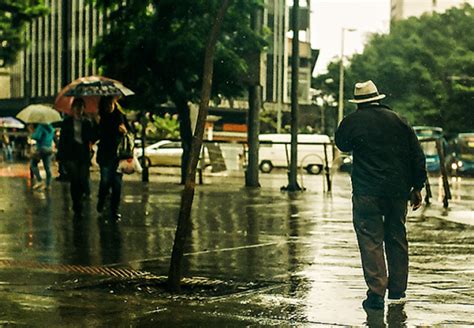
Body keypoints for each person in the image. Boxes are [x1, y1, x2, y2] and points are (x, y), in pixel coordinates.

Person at [335, 80, 427, 310]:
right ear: (378, 98)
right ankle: (397, 290)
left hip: (367, 191)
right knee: (396, 237)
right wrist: (417, 186)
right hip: (397, 192)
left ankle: (376, 293)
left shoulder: (353, 121)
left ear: (358, 103)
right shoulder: (399, 120)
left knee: (370, 240)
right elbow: (417, 155)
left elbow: (342, 144)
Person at [57, 98, 98, 217]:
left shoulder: (87, 122)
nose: (79, 110)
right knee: (74, 179)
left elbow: (93, 137)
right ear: (73, 108)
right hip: (71, 154)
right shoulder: (67, 122)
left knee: (82, 179)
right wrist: (60, 156)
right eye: (77, 107)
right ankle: (76, 204)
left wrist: (95, 120)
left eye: (81, 107)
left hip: (83, 154)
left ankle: (79, 200)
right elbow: (63, 139)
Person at [96, 96, 130, 220]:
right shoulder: (101, 118)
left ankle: (114, 210)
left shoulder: (120, 116)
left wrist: (124, 130)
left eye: (111, 103)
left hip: (118, 156)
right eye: (107, 104)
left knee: (117, 184)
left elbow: (130, 132)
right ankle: (102, 200)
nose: (109, 106)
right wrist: (97, 124)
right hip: (105, 155)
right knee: (105, 181)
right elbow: (96, 135)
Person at [30, 122, 56, 190]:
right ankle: (48, 185)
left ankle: (39, 180)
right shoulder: (51, 128)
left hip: (41, 148)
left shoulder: (41, 126)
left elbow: (36, 137)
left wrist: (32, 132)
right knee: (47, 167)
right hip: (49, 149)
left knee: (33, 164)